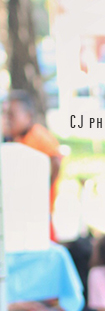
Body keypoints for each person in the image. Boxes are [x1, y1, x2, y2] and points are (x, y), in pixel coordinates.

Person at [2, 90, 63, 240]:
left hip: (39, 214)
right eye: (5, 114)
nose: (6, 119)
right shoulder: (13, 139)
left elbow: (56, 159)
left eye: (11, 115)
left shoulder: (39, 136)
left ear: (27, 116)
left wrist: (42, 187)